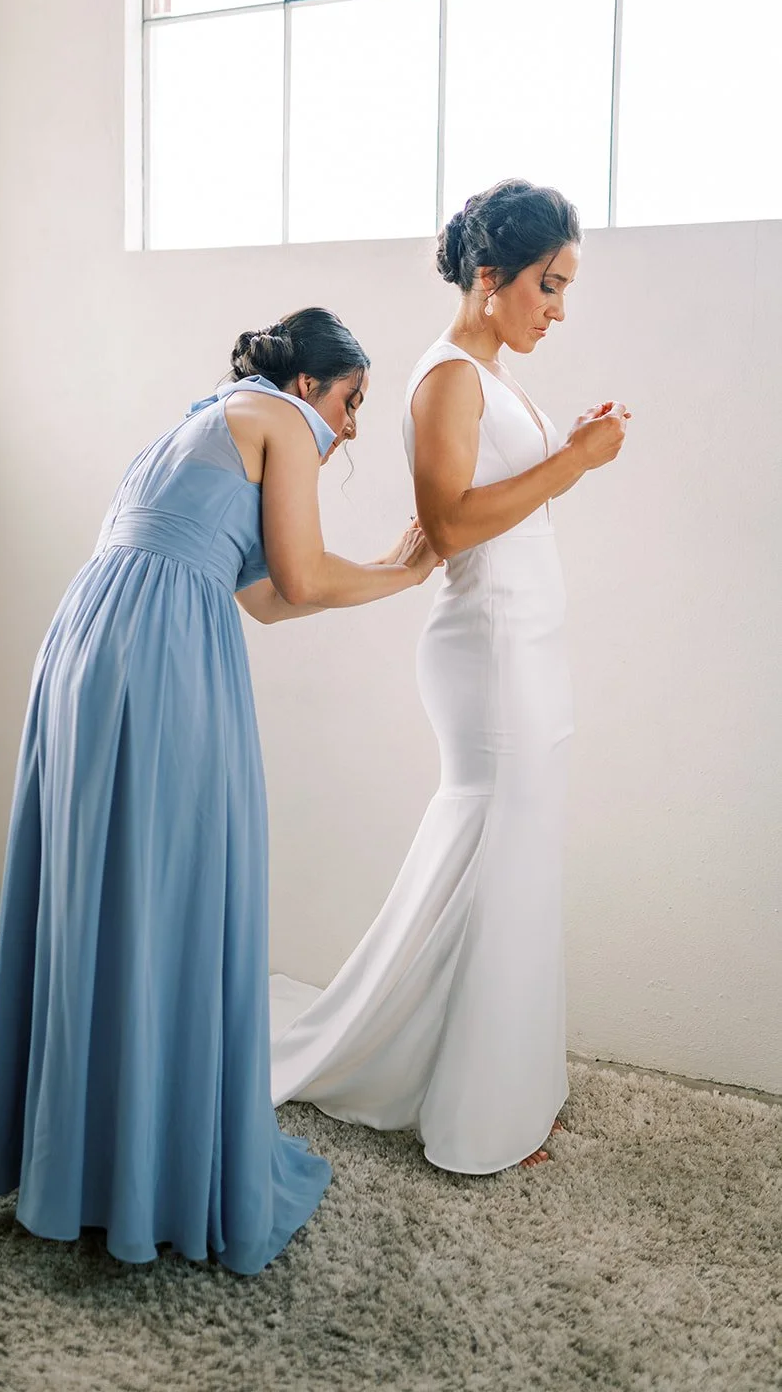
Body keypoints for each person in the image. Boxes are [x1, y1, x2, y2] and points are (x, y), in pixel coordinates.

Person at [0, 308, 439, 1273]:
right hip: (161, 652)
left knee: (104, 885)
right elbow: (300, 581)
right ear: (308, 385)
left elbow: (261, 595)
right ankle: (143, 1166)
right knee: (174, 886)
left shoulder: (198, 422)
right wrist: (406, 571)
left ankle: (84, 1156)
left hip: (87, 640)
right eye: (351, 401)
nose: (352, 427)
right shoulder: (282, 421)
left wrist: (390, 571)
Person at [270, 180, 631, 1173]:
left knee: (515, 857)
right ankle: (480, 1115)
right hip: (488, 645)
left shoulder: (492, 377)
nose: (557, 310)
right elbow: (451, 523)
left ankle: (503, 1083)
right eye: (548, 286)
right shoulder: (445, 377)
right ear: (488, 275)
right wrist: (575, 461)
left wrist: (566, 446)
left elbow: (495, 499)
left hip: (528, 638)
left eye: (563, 290)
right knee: (499, 848)